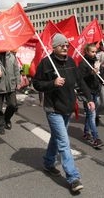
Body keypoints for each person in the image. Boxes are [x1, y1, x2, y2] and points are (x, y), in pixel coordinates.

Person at [32, 33, 94, 193]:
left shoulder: (71, 61)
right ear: (54, 47)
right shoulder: (46, 63)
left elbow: (80, 81)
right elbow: (36, 84)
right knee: (64, 142)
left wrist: (89, 98)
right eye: (62, 45)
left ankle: (47, 162)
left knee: (57, 137)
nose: (66, 47)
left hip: (67, 107)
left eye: (67, 45)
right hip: (53, 109)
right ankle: (73, 177)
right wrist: (52, 83)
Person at [78, 43, 104, 147]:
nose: (94, 53)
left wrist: (102, 78)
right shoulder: (83, 63)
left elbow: (100, 74)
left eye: (95, 52)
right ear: (87, 52)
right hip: (87, 93)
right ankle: (95, 138)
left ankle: (86, 132)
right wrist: (91, 73)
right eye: (92, 52)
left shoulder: (95, 61)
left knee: (90, 114)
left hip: (95, 90)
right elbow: (80, 78)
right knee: (92, 114)